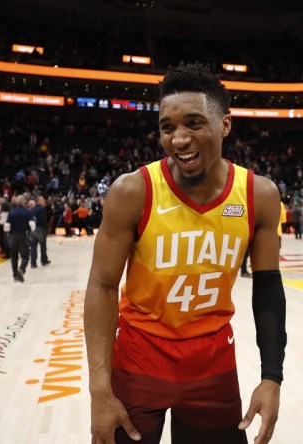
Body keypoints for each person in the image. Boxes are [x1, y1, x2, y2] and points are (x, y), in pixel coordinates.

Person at [84, 63, 286, 444]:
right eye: (167, 127)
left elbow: (268, 289)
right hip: (138, 361)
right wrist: (99, 389)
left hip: (213, 367)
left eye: (193, 123)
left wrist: (271, 377)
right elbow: (102, 285)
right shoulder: (133, 191)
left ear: (225, 125)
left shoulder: (259, 194)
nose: (178, 139)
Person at [5, 195, 34, 282]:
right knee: (25, 256)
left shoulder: (11, 212)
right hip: (23, 236)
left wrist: (9, 234)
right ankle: (21, 270)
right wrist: (31, 231)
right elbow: (32, 225)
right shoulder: (27, 212)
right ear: (24, 202)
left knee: (14, 256)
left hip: (13, 236)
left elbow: (7, 227)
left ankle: (15, 275)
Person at [29, 196, 51, 268]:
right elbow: (44, 219)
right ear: (38, 201)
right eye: (42, 200)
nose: (44, 201)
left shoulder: (32, 210)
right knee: (43, 245)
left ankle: (33, 263)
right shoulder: (41, 209)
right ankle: (43, 260)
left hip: (33, 229)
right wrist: (46, 228)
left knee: (33, 247)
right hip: (40, 229)